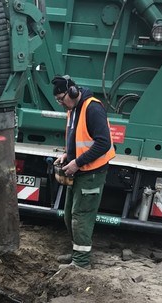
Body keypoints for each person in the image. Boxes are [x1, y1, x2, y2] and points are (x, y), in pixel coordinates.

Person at [51, 75, 115, 269]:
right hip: (79, 170)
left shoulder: (92, 108)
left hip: (92, 172)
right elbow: (77, 138)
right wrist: (67, 155)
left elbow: (103, 143)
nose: (61, 103)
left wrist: (77, 163)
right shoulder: (74, 109)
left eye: (62, 98)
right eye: (58, 100)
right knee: (69, 215)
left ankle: (81, 263)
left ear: (72, 92)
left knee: (81, 217)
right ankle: (77, 253)